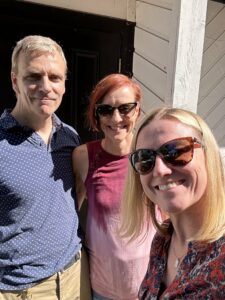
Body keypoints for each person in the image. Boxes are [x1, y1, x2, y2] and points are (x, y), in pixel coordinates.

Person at [0, 35, 91, 300]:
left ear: (64, 84)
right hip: (21, 289)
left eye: (55, 78)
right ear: (15, 81)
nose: (45, 87)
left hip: (75, 274)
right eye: (34, 77)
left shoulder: (69, 137)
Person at [121, 106, 225, 299]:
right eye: (145, 158)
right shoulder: (162, 240)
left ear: (208, 154)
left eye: (176, 151)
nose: (159, 170)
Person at [72, 73, 158, 300]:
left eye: (125, 108)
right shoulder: (84, 157)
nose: (116, 118)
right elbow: (70, 213)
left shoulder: (151, 155)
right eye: (106, 110)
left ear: (137, 110)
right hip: (102, 287)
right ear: (97, 115)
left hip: (149, 284)